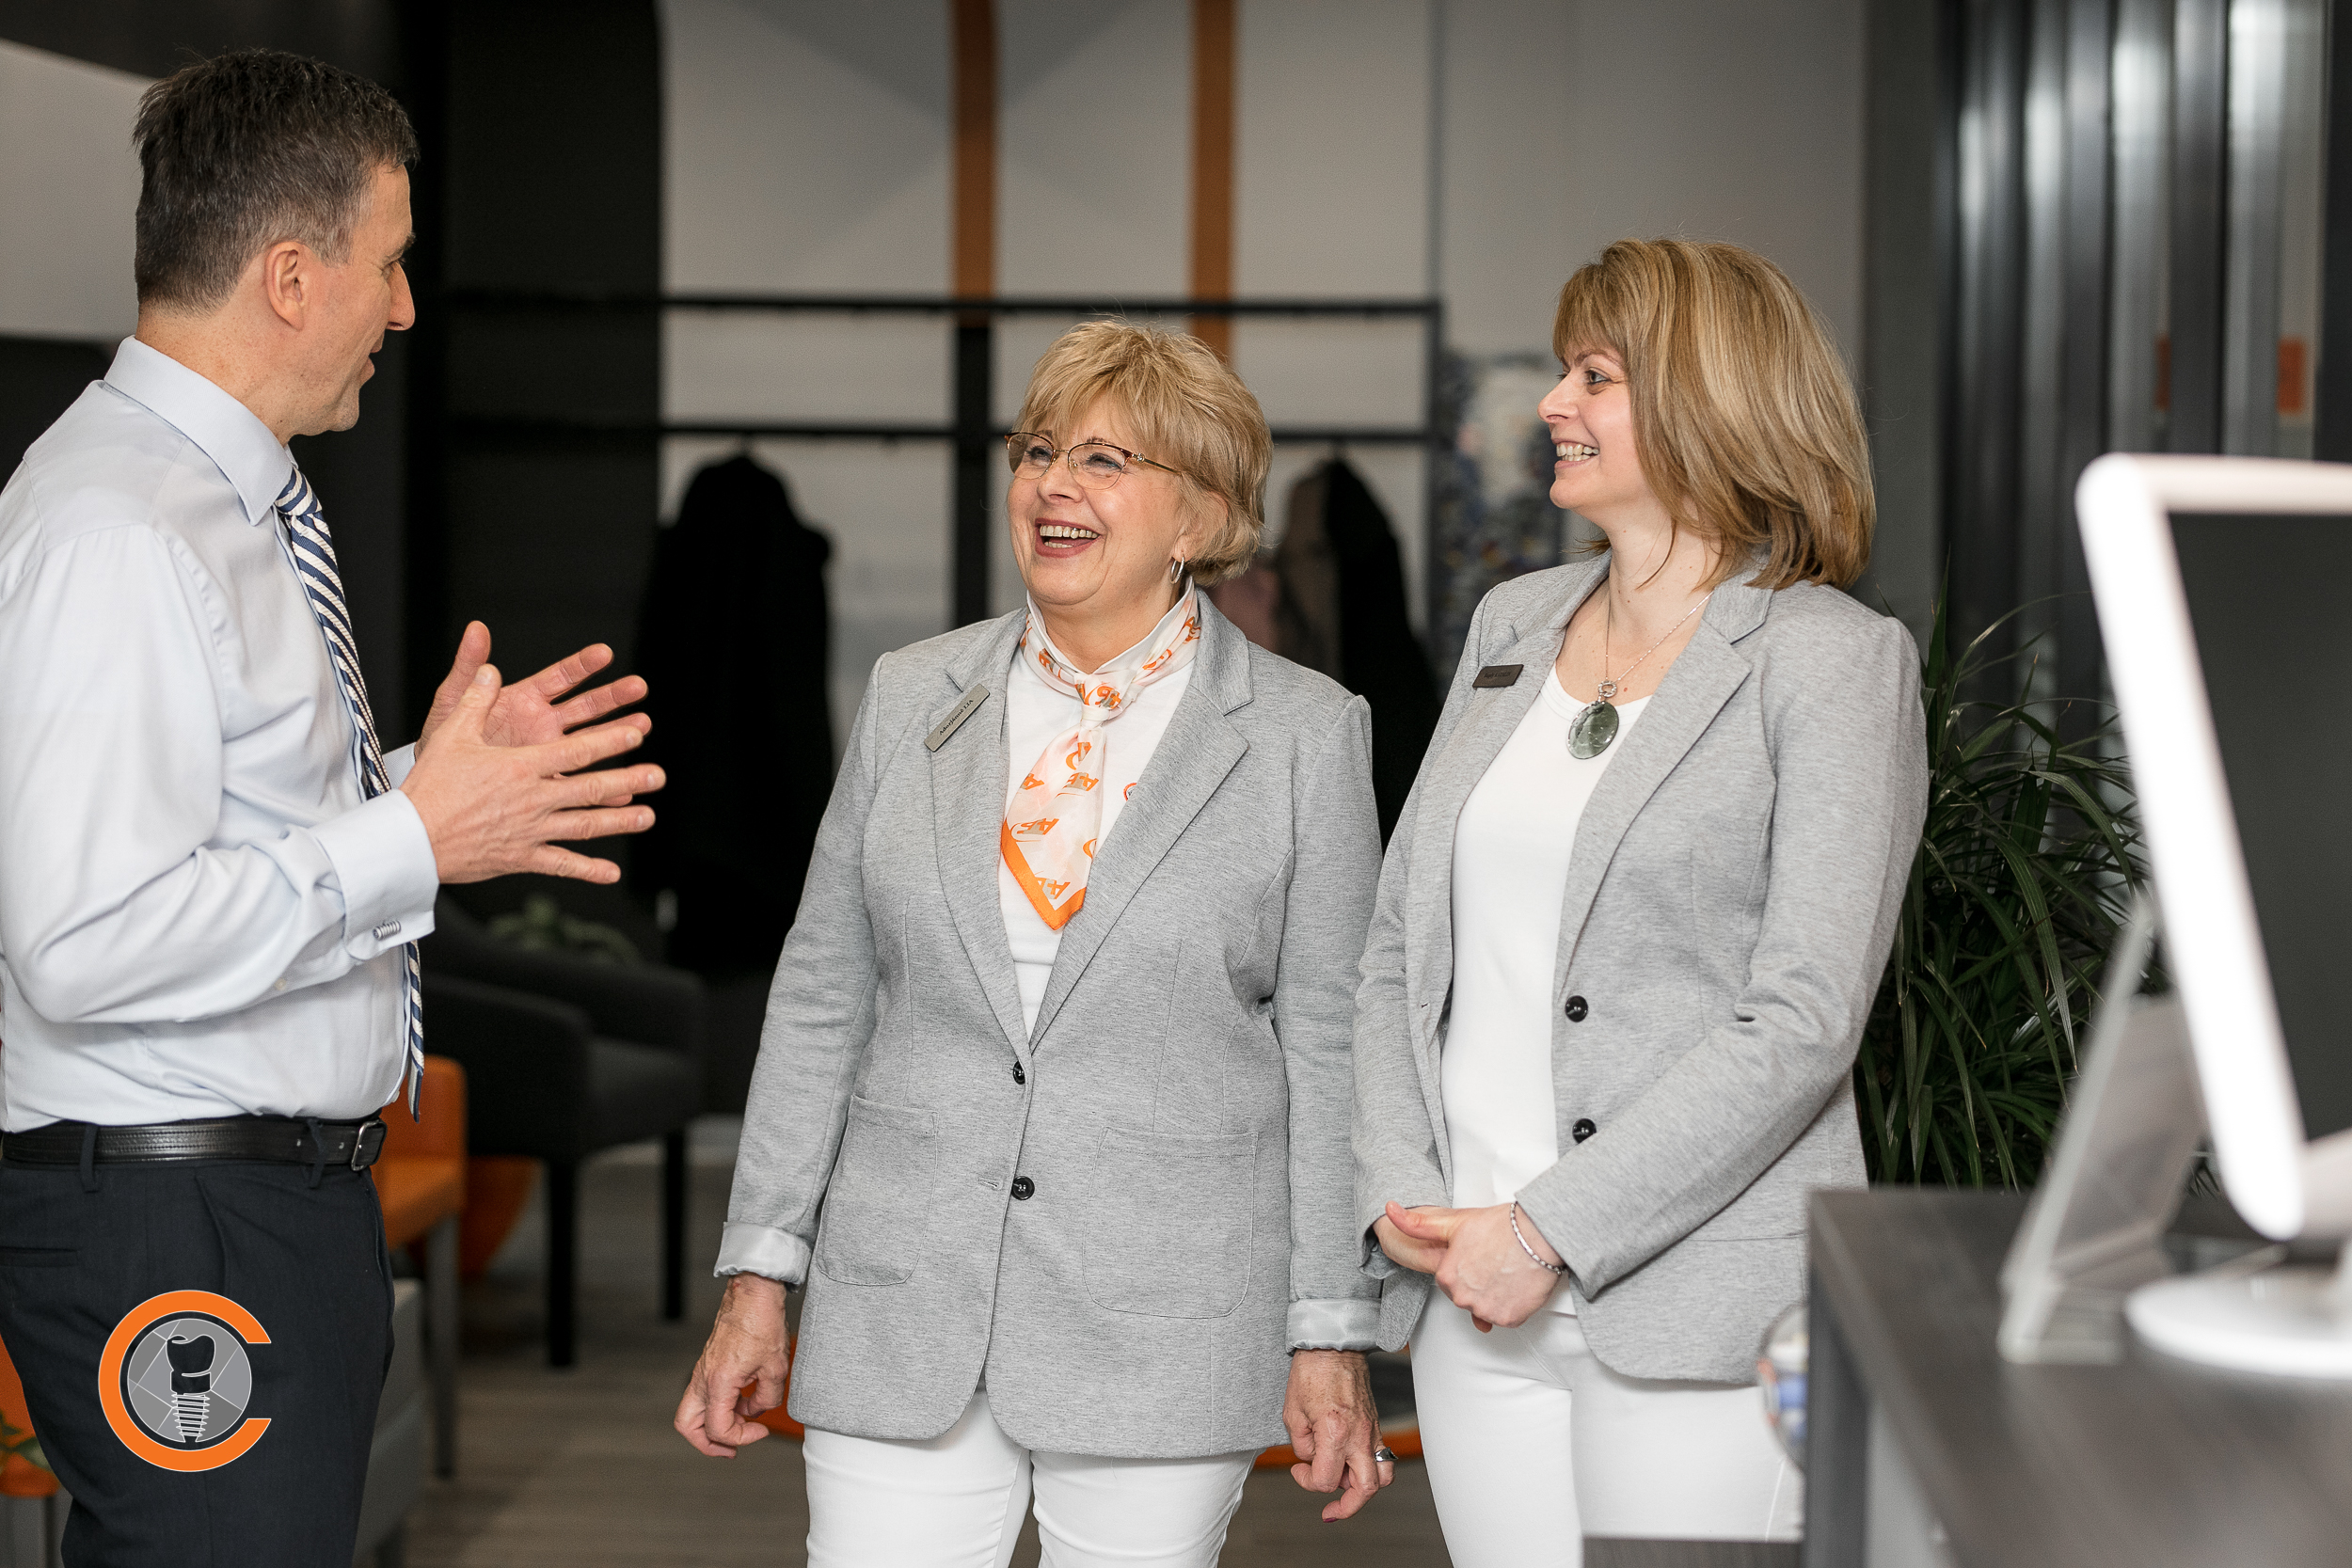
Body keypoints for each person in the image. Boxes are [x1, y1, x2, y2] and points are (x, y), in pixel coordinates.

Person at [0, 51, 662, 1566]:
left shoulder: (216, 506)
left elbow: (224, 835)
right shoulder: (120, 530)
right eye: (391, 263)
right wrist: (413, 840)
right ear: (293, 279)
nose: (406, 309)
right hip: (181, 1220)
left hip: (247, 1206)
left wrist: (424, 785)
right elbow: (84, 940)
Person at [675, 321, 1391, 1565]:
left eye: (1105, 461)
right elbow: (824, 996)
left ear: (1202, 515)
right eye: (1039, 451)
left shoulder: (1304, 735)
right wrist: (757, 1278)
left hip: (1168, 1324)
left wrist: (1329, 1327)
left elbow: (1334, 1046)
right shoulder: (912, 694)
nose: (1055, 484)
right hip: (901, 1306)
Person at [1351, 238, 1930, 1562]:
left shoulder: (1833, 663)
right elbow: (1397, 949)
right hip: (1465, 1294)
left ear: (1709, 399)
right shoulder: (1511, 627)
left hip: (1698, 1313)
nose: (1555, 403)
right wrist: (1399, 1190)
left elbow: (1802, 1018)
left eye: (1596, 377)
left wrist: (1546, 1230)